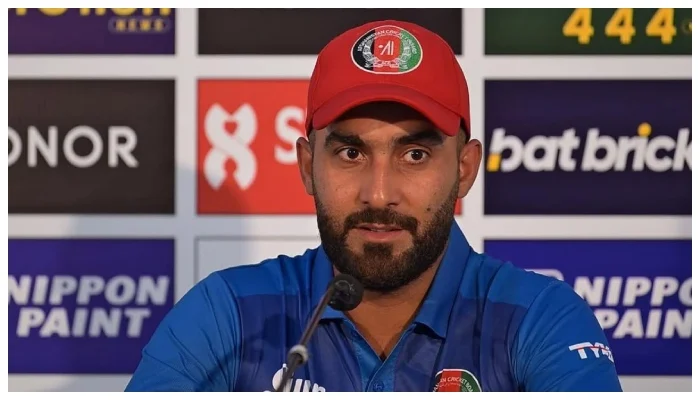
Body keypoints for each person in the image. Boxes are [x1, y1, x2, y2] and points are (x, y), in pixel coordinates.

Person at [125, 19, 622, 392]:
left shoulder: (538, 317)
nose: (379, 194)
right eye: (351, 153)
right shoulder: (226, 313)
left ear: (465, 168)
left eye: (415, 154)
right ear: (307, 166)